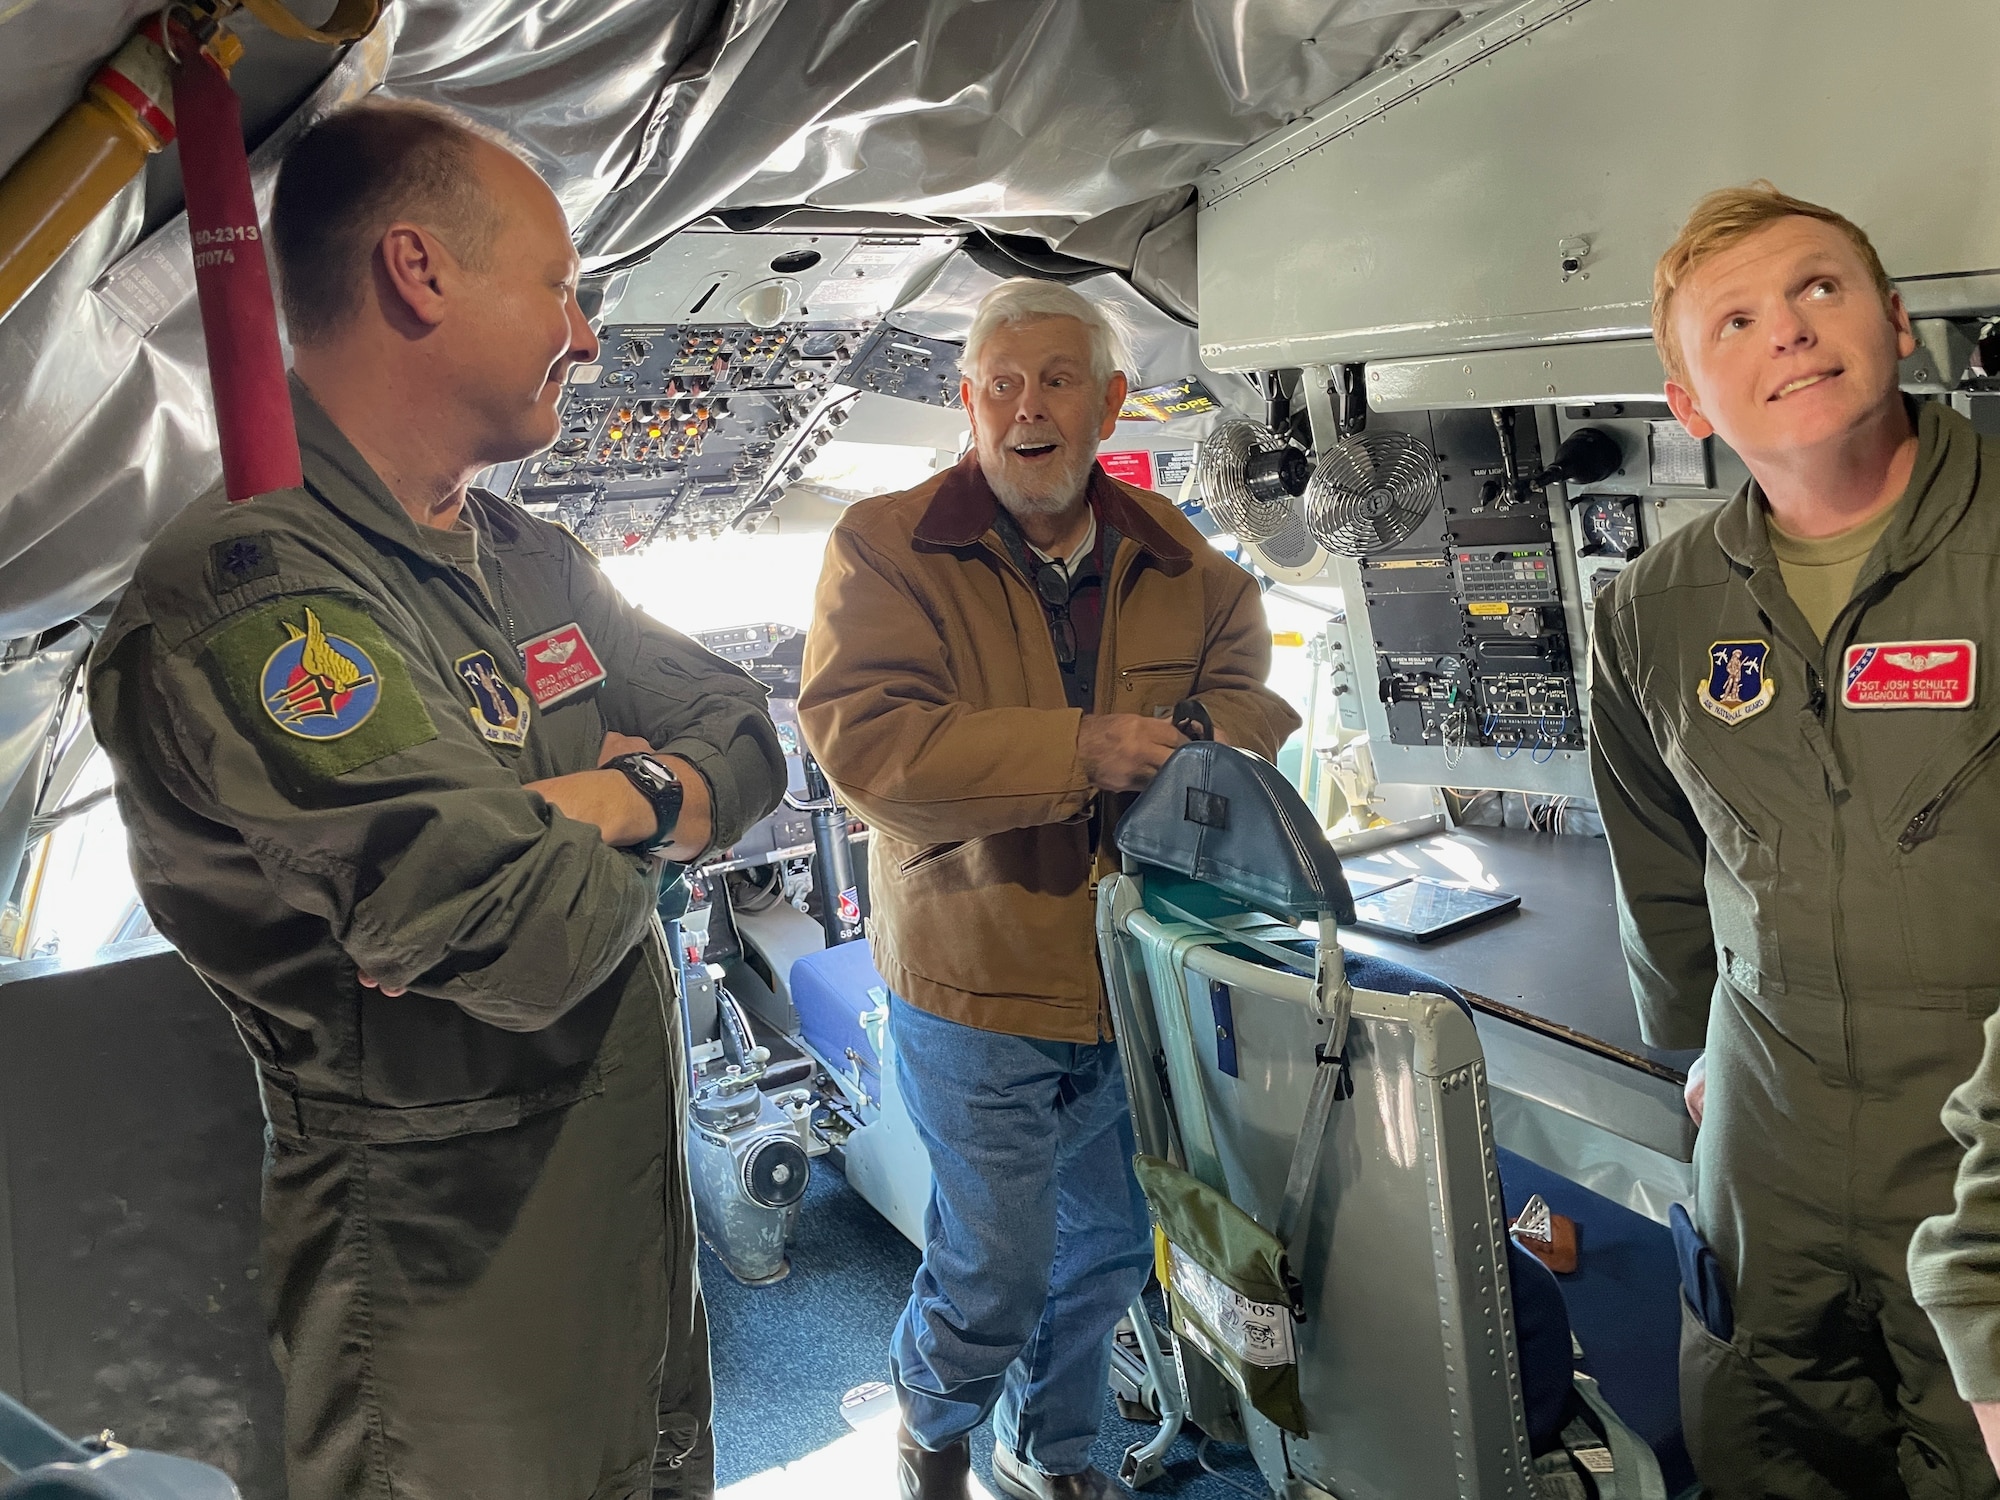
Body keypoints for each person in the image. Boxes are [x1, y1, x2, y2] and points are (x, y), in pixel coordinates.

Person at [86, 100, 786, 1500]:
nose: (585, 334)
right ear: (420, 271)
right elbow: (513, 928)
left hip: (630, 1253)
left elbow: (746, 736)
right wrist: (646, 805)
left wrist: (606, 799)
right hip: (451, 1297)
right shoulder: (258, 594)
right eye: (562, 287)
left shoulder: (529, 556)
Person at [798, 279, 1299, 1500]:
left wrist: (1180, 731)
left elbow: (1252, 695)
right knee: (995, 1267)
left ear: (1110, 402)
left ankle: (1057, 1451)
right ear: (968, 403)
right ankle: (932, 1416)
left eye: (1057, 380)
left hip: (1130, 977)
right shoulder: (882, 545)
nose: (1028, 408)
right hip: (971, 978)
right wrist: (1079, 751)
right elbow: (870, 748)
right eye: (1001, 384)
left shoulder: (1186, 558)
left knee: (1109, 1251)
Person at [1590, 181, 2000, 1497]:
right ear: (1690, 404)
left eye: (1821, 290)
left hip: (1978, 1148)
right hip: (1765, 1139)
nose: (1791, 331)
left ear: (1897, 325)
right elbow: (1656, 852)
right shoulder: (1652, 609)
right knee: (1767, 1448)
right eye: (1738, 320)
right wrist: (1700, 1039)